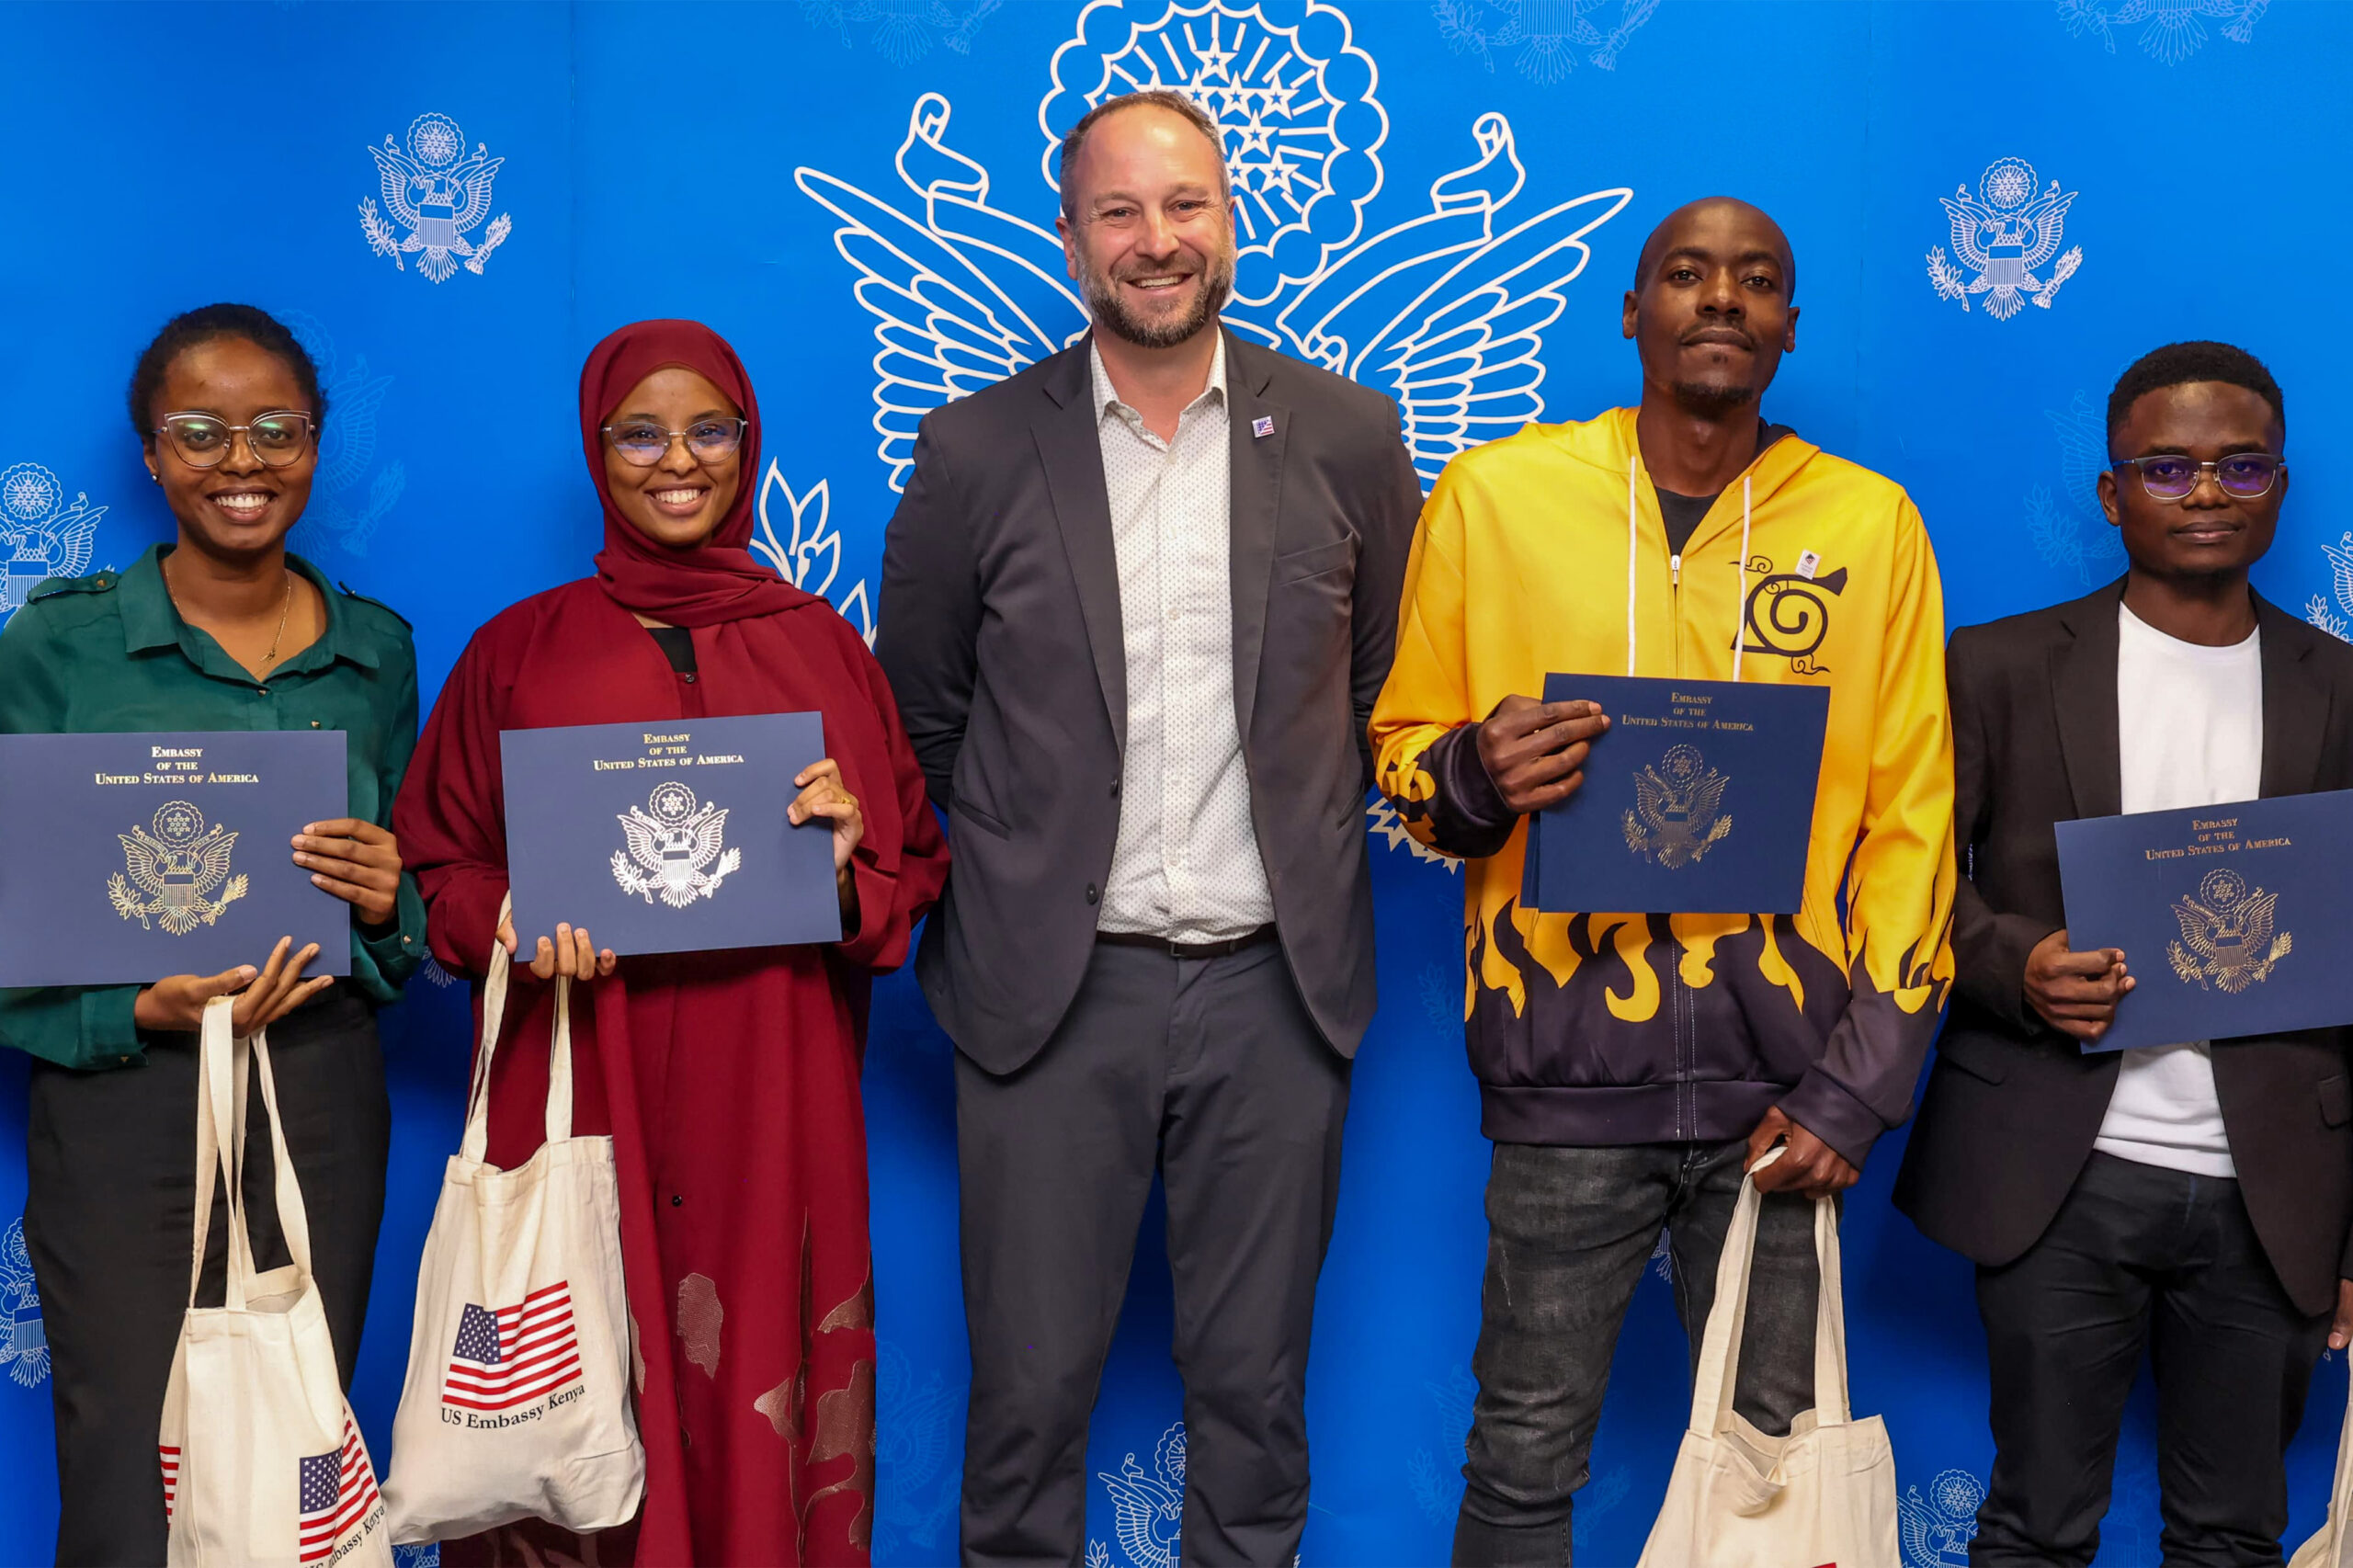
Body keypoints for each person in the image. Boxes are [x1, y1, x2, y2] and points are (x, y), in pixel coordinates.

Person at [876, 88, 1421, 1566]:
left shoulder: (1347, 434)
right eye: (1119, 211)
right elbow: (921, 711)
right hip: (1056, 994)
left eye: (1183, 205)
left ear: (1231, 221)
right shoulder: (979, 447)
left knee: (1253, 1401)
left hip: (1273, 990)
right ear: (1070, 242)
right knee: (1030, 1402)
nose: (1155, 240)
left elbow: (1382, 685)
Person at [1368, 198, 1955, 1565]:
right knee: (1520, 1452)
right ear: (1632, 312)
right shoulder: (1496, 498)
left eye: (1758, 279)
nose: (1721, 300)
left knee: (1771, 1472)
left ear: (1789, 328)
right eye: (1685, 275)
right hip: (1564, 1074)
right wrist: (1473, 769)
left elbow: (1916, 826)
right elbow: (1399, 753)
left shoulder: (1871, 528)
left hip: (1786, 1102)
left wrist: (1856, 1091)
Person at [394, 318, 945, 1566]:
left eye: (710, 430)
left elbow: (908, 874)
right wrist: (511, 922)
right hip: (582, 1082)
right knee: (582, 1361)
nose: (677, 459)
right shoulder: (518, 652)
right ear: (598, 450)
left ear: (747, 445)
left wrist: (850, 854)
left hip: (772, 1084)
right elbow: (438, 867)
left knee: (752, 1369)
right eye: (641, 432)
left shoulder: (822, 649)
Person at [1894, 341, 2353, 1566]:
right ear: (2112, 493)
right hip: (2060, 1164)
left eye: (2239, 465)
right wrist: (2018, 964)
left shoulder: (2342, 690)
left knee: (2233, 1535)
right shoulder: (1995, 666)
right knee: (2036, 1524)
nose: (2205, 491)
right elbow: (1913, 890)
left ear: (2280, 485)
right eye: (2168, 466)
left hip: (2276, 1190)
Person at [0, 302, 423, 1564]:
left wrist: (387, 901)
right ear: (150, 451)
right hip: (128, 1104)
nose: (241, 461)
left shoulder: (376, 654)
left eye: (273, 430)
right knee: (133, 1475)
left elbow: (405, 915)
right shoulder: (57, 646)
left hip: (321, 1094)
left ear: (314, 439)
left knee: (293, 1469)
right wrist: (128, 1010)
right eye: (201, 430)